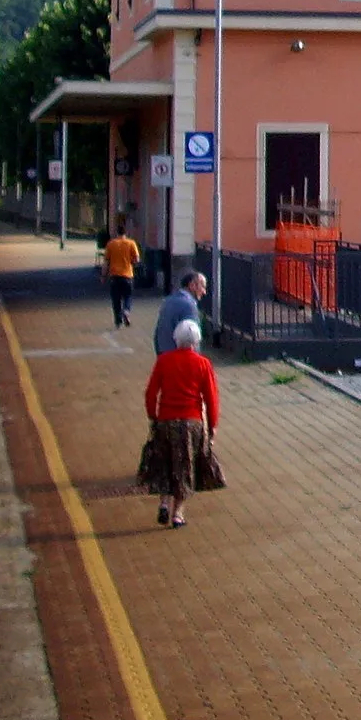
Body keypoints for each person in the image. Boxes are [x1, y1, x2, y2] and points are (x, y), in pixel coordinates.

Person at [139, 319, 221, 528]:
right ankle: (178, 514)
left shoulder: (164, 361)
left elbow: (150, 393)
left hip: (166, 419)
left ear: (176, 339)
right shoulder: (203, 364)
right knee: (185, 467)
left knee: (165, 463)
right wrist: (212, 426)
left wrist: (153, 416)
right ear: (196, 341)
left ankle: (164, 503)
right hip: (190, 422)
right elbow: (211, 399)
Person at [154, 272, 207, 354]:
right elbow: (192, 337)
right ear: (192, 285)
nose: (204, 292)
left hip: (163, 354)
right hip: (180, 357)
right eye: (202, 286)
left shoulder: (168, 301)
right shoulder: (189, 306)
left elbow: (158, 332)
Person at [104, 225, 141, 328]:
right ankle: (126, 311)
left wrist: (103, 276)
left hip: (114, 277)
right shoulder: (131, 243)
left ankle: (118, 321)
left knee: (116, 300)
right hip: (127, 276)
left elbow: (106, 262)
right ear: (126, 233)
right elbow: (137, 260)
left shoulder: (111, 244)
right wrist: (131, 262)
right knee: (127, 297)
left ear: (117, 233)